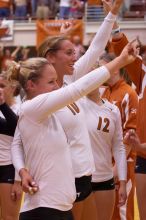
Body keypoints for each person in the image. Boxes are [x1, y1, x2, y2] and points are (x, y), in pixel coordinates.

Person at [10, 39, 138, 220]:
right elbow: (78, 88)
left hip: (64, 202)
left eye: (56, 81)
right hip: (44, 207)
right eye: (51, 82)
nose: (57, 86)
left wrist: (22, 170)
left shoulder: (49, 111)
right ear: (31, 85)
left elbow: (17, 144)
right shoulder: (32, 108)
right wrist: (120, 61)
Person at [38, 1, 124, 219]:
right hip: (61, 179)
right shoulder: (39, 94)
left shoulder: (70, 80)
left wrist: (112, 15)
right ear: (50, 57)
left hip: (84, 176)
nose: (75, 57)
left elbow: (96, 49)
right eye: (69, 52)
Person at [107, 19, 146, 220]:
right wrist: (113, 22)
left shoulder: (128, 92)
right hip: (141, 156)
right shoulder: (142, 77)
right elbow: (126, 50)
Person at [80, 87, 127, 220]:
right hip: (81, 178)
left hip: (105, 178)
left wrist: (123, 182)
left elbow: (119, 146)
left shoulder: (113, 110)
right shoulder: (76, 103)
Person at [0, 73, 22, 220]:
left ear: (13, 88)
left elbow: (15, 128)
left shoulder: (21, 108)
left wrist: (18, 181)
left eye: (2, 86)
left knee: (9, 217)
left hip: (8, 169)